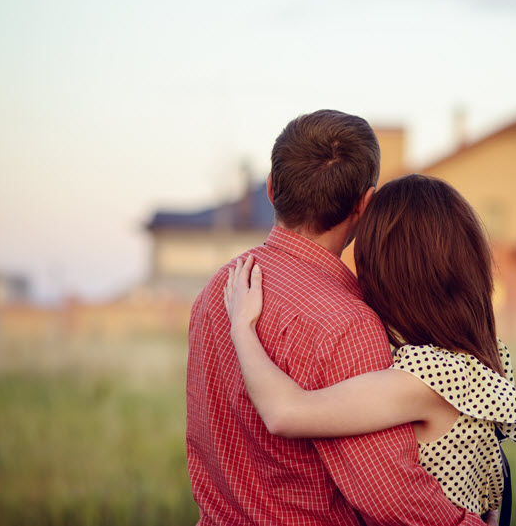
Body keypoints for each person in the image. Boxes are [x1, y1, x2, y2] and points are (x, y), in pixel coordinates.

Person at [186, 110, 487, 525]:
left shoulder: (218, 290)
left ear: (272, 189)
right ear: (365, 204)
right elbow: (388, 495)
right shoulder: (348, 323)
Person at [223, 174, 516, 522]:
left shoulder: (424, 378)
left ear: (387, 270)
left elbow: (285, 412)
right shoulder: (479, 362)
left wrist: (243, 327)